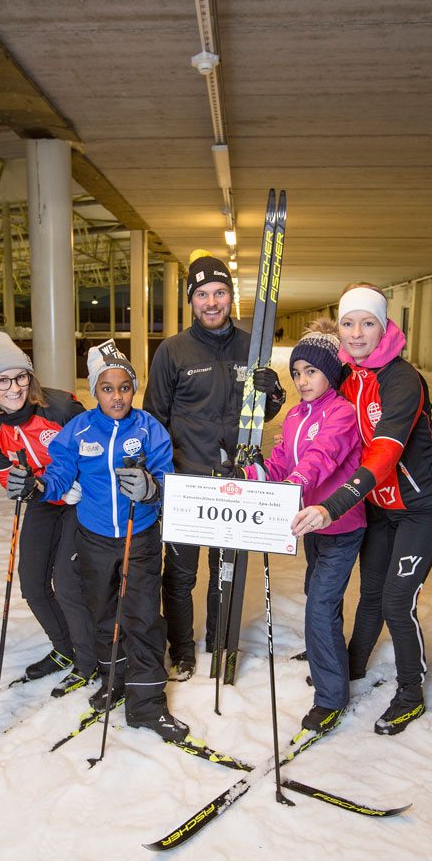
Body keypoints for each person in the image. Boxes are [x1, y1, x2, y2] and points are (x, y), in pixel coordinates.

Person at [291, 284, 432, 736]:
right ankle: (354, 664)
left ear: (384, 327)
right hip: (380, 507)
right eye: (348, 323)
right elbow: (313, 378)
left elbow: (382, 455)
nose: (357, 333)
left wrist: (332, 506)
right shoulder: (347, 371)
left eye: (368, 323)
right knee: (371, 591)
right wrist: (268, 395)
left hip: (422, 506)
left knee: (398, 602)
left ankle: (410, 691)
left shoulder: (402, 379)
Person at [7, 339, 189, 741]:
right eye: (107, 388)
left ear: (134, 389)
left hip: (137, 537)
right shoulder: (79, 429)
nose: (117, 396)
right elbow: (59, 476)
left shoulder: (149, 429)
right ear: (95, 391)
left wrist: (151, 489)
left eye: (124, 387)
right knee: (104, 616)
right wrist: (35, 487)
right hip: (92, 539)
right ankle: (116, 678)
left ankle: (147, 705)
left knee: (142, 619)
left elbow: (166, 479)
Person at [143, 250, 286, 680]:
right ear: (191, 299)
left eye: (219, 292)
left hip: (235, 482)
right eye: (202, 293)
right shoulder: (173, 351)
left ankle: (220, 644)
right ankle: (183, 650)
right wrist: (159, 481)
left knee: (226, 570)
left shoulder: (251, 346)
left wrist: (274, 394)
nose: (211, 302)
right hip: (188, 481)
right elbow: (154, 418)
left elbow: (262, 413)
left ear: (230, 296)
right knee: (181, 575)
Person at [229, 320, 366, 737]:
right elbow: (282, 464)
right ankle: (330, 660)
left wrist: (292, 486)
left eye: (312, 371)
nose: (303, 381)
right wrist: (252, 472)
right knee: (320, 597)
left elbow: (318, 461)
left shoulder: (341, 413)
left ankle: (330, 698)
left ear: (331, 372)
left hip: (340, 525)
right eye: (297, 372)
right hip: (310, 527)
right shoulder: (294, 415)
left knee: (320, 606)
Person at [0, 326, 98, 696]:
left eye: (21, 376)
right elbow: (5, 478)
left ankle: (90, 660)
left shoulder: (60, 407)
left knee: (69, 582)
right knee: (33, 584)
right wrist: (23, 487)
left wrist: (80, 482)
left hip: (81, 501)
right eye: (2, 381)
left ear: (31, 375)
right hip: (44, 502)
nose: (14, 388)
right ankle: (64, 649)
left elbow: (97, 452)